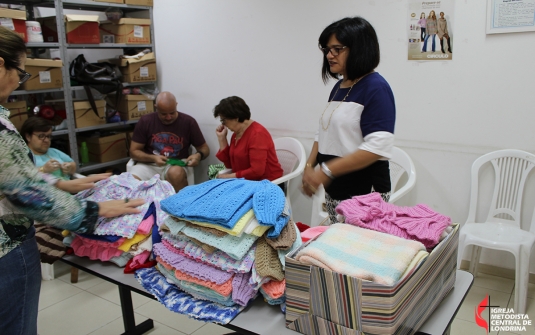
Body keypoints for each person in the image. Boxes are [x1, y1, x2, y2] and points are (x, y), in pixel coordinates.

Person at [0, 26, 144, 335]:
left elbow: (10, 177)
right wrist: (94, 211)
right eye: (21, 74)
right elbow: (22, 192)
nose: (18, 83)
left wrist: (60, 184)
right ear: (0, 66)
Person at [301, 17, 396, 224]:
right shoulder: (340, 86)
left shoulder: (376, 87)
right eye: (327, 49)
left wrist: (326, 170)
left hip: (364, 190)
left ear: (360, 49)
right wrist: (310, 165)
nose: (329, 55)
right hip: (336, 186)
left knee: (358, 251)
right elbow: (324, 132)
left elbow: (378, 146)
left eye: (337, 49)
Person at [129, 91, 209, 192]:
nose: (168, 117)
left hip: (176, 164)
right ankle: (143, 206)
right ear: (156, 107)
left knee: (175, 174)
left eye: (172, 113)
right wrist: (153, 158)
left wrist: (198, 156)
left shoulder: (188, 122)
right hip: (149, 164)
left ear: (176, 105)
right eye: (163, 114)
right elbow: (134, 151)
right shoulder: (145, 121)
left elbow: (204, 148)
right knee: (131, 180)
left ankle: (179, 205)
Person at [213, 96, 283, 181]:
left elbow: (257, 171)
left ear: (236, 117)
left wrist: (228, 177)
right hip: (247, 181)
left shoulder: (257, 134)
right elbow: (230, 166)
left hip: (268, 183)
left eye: (224, 120)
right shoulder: (236, 134)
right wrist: (222, 139)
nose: (224, 125)